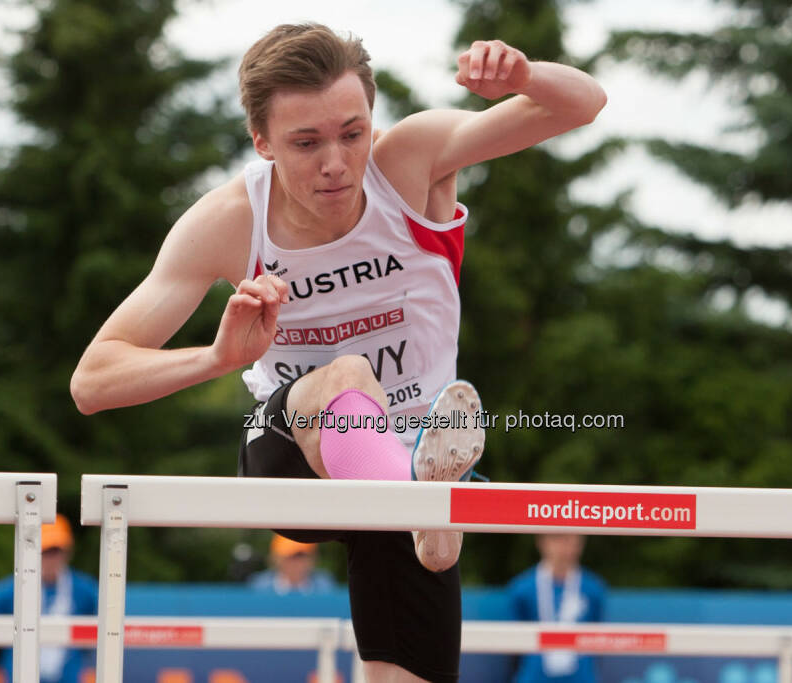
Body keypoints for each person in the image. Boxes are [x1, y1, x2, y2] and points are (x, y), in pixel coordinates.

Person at [71, 23, 605, 683]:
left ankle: (420, 504)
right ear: (261, 141)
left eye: (353, 133)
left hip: (412, 466)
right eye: (306, 142)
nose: (336, 162)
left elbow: (582, 104)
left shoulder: (411, 160)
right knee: (348, 375)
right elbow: (93, 380)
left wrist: (522, 78)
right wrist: (215, 357)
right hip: (290, 458)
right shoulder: (230, 221)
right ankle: (424, 502)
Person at [0, 514, 98, 683]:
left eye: (56, 551)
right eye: (45, 551)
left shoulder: (85, 590)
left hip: (66, 675)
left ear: (67, 552)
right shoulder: (10, 590)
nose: (50, 558)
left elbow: (90, 635)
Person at [507, 535, 608, 683]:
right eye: (558, 538)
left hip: (581, 677)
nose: (566, 546)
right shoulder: (522, 589)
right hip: (534, 677)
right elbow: (514, 644)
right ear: (542, 542)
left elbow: (596, 639)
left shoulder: (594, 589)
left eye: (573, 539)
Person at [248, 533, 337, 594]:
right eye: (289, 556)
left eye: (301, 556)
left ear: (312, 559)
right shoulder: (259, 586)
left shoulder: (325, 586)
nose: (296, 563)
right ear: (276, 559)